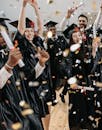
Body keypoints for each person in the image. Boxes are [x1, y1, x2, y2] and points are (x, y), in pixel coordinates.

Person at [10, 0, 50, 130]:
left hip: (37, 84)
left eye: (31, 31)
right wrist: (24, 6)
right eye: (27, 31)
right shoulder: (22, 45)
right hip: (28, 86)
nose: (29, 33)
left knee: (38, 116)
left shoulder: (36, 44)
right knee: (32, 118)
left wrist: (36, 8)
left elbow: (41, 27)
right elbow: (20, 30)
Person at [44, 20, 70, 103]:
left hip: (63, 65)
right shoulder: (47, 42)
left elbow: (67, 49)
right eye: (50, 29)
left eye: (54, 29)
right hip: (53, 66)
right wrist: (45, 41)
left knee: (69, 79)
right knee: (53, 84)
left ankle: (63, 93)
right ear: (48, 31)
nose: (53, 31)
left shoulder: (61, 38)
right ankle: (54, 98)